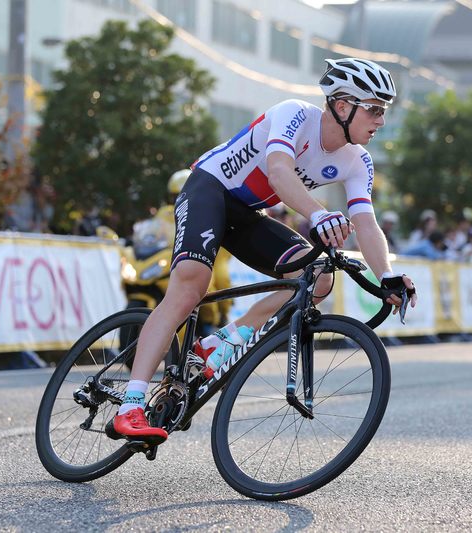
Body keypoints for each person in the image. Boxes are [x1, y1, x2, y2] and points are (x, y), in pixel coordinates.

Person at [112, 57, 418, 441]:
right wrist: (319, 215)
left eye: (383, 112)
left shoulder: (358, 161)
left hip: (246, 214)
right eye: (374, 109)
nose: (381, 121)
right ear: (343, 106)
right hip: (209, 189)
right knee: (190, 287)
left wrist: (386, 274)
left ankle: (220, 342)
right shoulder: (294, 115)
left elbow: (367, 224)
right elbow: (279, 172)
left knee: (318, 279)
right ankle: (131, 405)